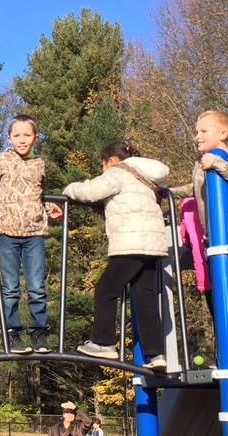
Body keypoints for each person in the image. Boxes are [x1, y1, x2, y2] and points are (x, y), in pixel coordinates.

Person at [62, 141, 169, 370]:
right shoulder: (147, 180)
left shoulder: (119, 172)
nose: (103, 170)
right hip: (152, 244)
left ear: (111, 161)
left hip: (130, 243)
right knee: (145, 296)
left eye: (103, 165)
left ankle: (104, 342)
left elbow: (90, 191)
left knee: (106, 289)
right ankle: (156, 353)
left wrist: (68, 189)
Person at [0, 114, 62, 354]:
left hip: (34, 233)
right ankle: (13, 334)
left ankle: (39, 333)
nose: (22, 140)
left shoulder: (39, 164)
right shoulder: (0, 161)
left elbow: (39, 194)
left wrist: (49, 207)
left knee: (36, 287)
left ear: (35, 137)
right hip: (7, 233)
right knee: (10, 288)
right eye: (17, 135)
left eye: (27, 135)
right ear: (9, 137)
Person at [171, 111, 228, 318]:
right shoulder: (200, 163)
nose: (197, 136)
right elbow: (197, 188)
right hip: (212, 238)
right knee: (217, 300)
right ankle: (223, 349)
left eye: (204, 131)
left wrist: (218, 164)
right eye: (196, 131)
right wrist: (168, 192)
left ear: (223, 133)